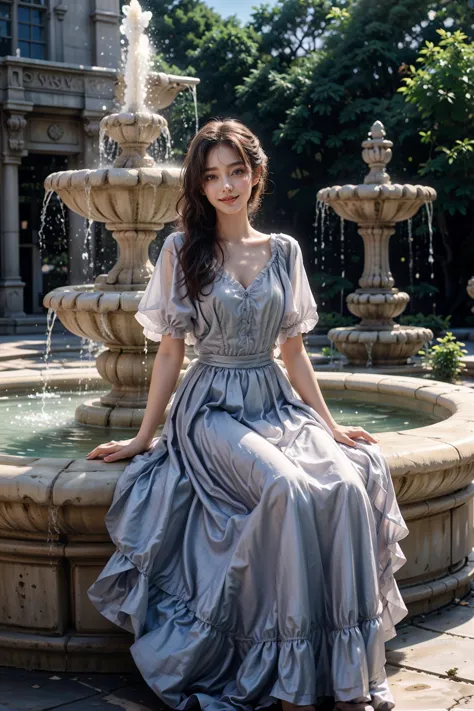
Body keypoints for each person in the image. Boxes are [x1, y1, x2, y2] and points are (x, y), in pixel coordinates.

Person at [87, 119, 409, 711]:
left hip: (274, 400)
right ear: (200, 185)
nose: (226, 185)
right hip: (210, 407)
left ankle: (340, 675)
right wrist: (143, 437)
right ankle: (289, 681)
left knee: (341, 482)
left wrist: (332, 428)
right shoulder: (181, 249)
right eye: (212, 176)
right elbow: (170, 350)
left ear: (256, 174)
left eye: (236, 171)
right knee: (285, 486)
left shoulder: (283, 250)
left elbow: (292, 351)